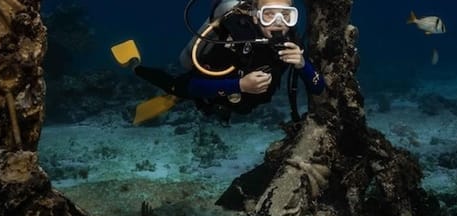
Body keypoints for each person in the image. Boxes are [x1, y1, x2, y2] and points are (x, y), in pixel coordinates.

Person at [112, 0, 324, 125]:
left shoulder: (292, 43)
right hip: (213, 91)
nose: (279, 23)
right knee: (178, 87)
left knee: (229, 109)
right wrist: (239, 86)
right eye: (269, 15)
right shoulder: (235, 36)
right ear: (256, 17)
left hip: (241, 104)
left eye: (286, 15)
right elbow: (195, 85)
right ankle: (135, 64)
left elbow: (318, 87)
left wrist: (302, 64)